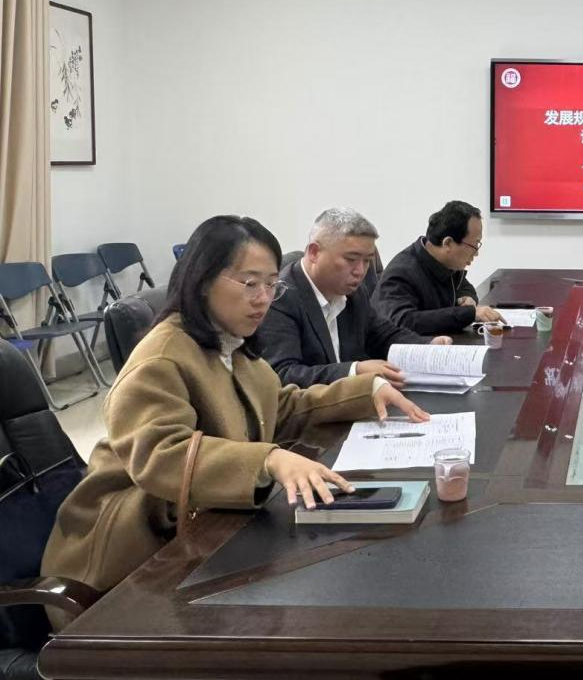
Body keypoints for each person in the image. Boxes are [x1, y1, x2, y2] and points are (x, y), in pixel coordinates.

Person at [41, 215, 428, 615]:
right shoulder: (161, 358)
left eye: (271, 285)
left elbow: (278, 408)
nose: (263, 299)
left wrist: (364, 391)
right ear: (203, 281)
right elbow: (160, 455)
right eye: (249, 283)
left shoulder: (231, 346)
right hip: (127, 558)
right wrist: (268, 459)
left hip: (200, 525)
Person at [256, 207, 451, 389]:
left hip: (356, 402)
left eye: (367, 261)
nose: (360, 271)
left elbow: (381, 335)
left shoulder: (353, 292)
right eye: (350, 259)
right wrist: (354, 371)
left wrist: (427, 346)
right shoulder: (280, 297)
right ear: (314, 252)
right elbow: (283, 374)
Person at [373, 200, 504, 336]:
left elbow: (463, 286)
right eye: (474, 245)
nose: (476, 253)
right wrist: (468, 314)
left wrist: (467, 297)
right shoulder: (402, 272)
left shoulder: (444, 262)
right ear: (448, 243)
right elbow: (404, 321)